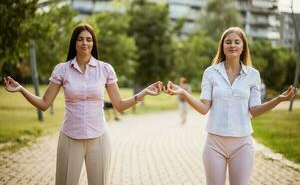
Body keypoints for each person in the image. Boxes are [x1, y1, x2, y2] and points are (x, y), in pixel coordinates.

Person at [3, 23, 163, 185]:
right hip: (70, 138)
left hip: (99, 138)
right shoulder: (62, 70)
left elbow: (119, 105)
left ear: (93, 43)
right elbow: (44, 103)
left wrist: (143, 93)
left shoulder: (105, 69)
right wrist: (21, 89)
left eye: (88, 39)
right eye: (80, 39)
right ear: (74, 43)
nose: (84, 43)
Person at [164, 27, 296, 185]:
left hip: (242, 144)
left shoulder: (253, 75)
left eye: (236, 42)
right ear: (222, 46)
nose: (232, 45)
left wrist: (279, 99)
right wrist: (183, 93)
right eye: (228, 42)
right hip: (214, 144)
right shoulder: (210, 73)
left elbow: (255, 110)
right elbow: (204, 108)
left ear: (243, 46)